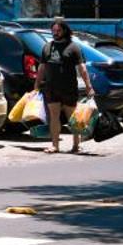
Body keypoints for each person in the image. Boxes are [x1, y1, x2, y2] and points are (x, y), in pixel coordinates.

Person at [41, 18, 89, 154]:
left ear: (65, 31)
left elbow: (82, 68)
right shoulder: (47, 47)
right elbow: (42, 67)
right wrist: (37, 84)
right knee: (54, 116)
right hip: (51, 87)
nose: (55, 33)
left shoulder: (73, 47)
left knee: (72, 117)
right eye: (53, 30)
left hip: (68, 88)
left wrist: (88, 86)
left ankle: (76, 145)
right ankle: (55, 145)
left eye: (58, 30)